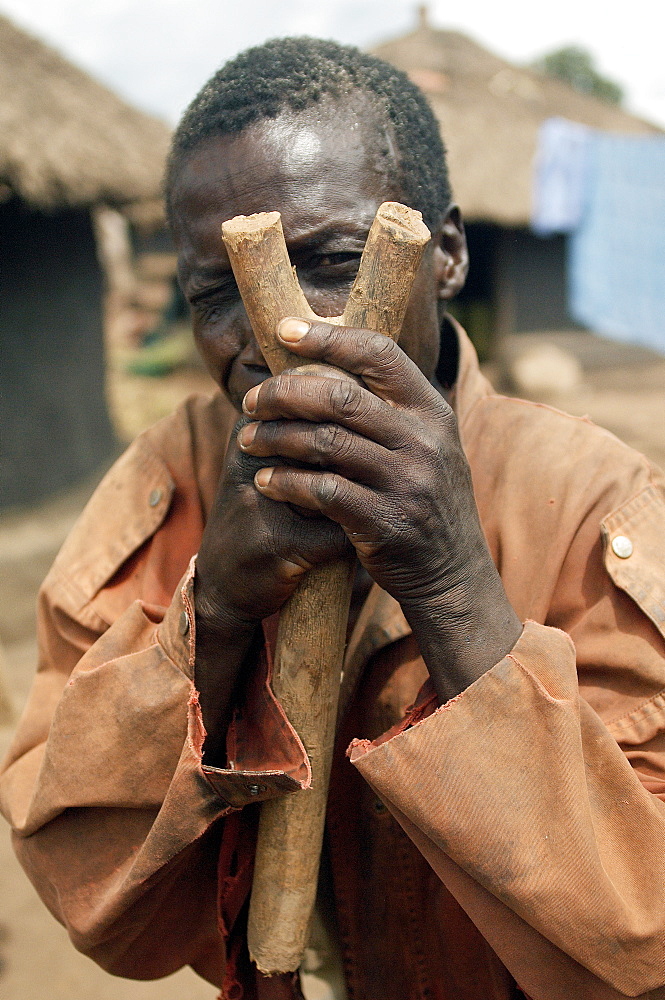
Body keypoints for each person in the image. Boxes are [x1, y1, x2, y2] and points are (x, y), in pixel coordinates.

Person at [2, 37, 665, 1000]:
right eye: (213, 293)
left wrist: (448, 586)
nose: (276, 335)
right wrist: (212, 619)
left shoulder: (589, 503)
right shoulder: (167, 484)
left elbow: (643, 941)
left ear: (444, 253)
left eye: (334, 264)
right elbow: (89, 897)